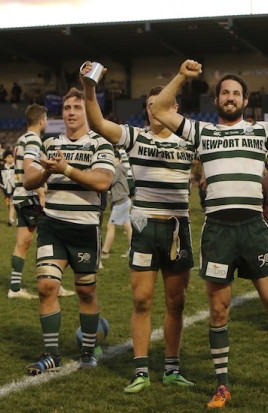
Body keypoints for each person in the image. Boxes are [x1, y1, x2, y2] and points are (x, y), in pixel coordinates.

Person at [151, 59, 268, 407]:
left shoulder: (262, 131)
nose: (230, 97)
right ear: (217, 101)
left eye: (236, 93)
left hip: (252, 229)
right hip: (217, 231)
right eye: (224, 92)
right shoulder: (202, 132)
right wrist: (182, 77)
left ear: (245, 101)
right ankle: (222, 385)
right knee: (218, 310)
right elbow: (158, 107)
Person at [81, 63, 199, 393]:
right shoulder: (135, 137)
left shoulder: (189, 141)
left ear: (174, 108)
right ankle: (142, 370)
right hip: (146, 230)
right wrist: (89, 88)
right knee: (142, 301)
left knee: (177, 303)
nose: (154, 111)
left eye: (160, 105)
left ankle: (172, 369)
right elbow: (99, 123)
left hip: (178, 230)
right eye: (149, 106)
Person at [22, 87, 115, 374]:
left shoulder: (101, 144)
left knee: (85, 291)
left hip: (85, 228)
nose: (71, 113)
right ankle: (51, 354)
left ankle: (88, 350)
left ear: (87, 111)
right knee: (46, 286)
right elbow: (29, 181)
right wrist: (48, 171)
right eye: (66, 108)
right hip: (52, 225)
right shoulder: (50, 143)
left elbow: (102, 182)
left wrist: (67, 169)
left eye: (77, 107)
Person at [8, 104, 48, 299]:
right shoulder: (33, 139)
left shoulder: (21, 139)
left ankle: (15, 288)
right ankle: (50, 284)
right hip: (29, 196)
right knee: (49, 240)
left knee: (23, 242)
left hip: (20, 196)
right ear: (41, 121)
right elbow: (28, 168)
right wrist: (41, 193)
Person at [100, 150, 132, 259]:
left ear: (118, 159)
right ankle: (133, 249)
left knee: (110, 226)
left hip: (121, 201)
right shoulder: (120, 168)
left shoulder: (117, 168)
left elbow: (110, 182)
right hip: (124, 200)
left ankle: (105, 251)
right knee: (127, 226)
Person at [0, 151, 16, 226]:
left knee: (12, 204)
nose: (10, 159)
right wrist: (3, 188)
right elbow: (0, 180)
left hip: (14, 189)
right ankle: (11, 218)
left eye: (11, 157)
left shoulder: (15, 167)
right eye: (8, 157)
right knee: (9, 204)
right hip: (6, 190)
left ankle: (11, 220)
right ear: (5, 159)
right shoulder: (2, 169)